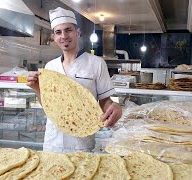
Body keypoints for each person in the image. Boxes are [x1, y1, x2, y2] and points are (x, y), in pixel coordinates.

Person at [27, 7, 122, 153]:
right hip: (53, 142)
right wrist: (37, 89)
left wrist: (114, 107)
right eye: (58, 32)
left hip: (81, 144)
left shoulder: (96, 63)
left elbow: (104, 101)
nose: (64, 36)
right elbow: (49, 104)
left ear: (78, 32)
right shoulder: (50, 67)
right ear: (54, 37)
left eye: (68, 30)